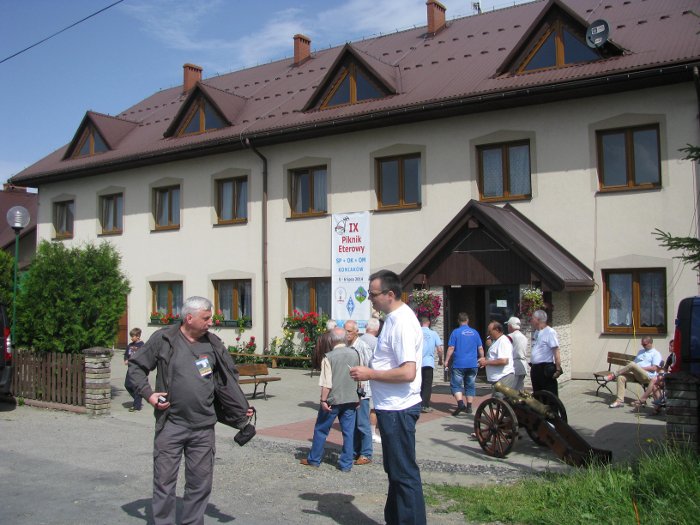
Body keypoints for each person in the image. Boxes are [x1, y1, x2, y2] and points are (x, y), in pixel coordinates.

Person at [126, 296, 254, 525]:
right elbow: (136, 367)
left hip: (203, 428)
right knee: (164, 482)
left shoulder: (213, 343)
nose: (211, 322)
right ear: (189, 318)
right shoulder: (164, 339)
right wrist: (148, 394)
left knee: (200, 484)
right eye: (206, 318)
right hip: (171, 424)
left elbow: (227, 379)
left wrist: (239, 408)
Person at [349, 269, 426, 525]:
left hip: (399, 408)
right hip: (391, 407)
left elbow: (408, 372)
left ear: (390, 294)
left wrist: (370, 373)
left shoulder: (402, 323)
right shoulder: (392, 319)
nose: (370, 299)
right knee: (395, 471)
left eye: (373, 294)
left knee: (403, 473)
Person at [301, 327, 360, 471]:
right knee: (348, 432)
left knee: (321, 429)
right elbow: (360, 377)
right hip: (351, 398)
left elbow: (326, 383)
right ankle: (346, 464)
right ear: (345, 338)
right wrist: (359, 397)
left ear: (331, 340)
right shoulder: (355, 353)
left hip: (333, 400)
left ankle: (314, 459)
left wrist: (323, 400)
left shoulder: (328, 357)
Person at [344, 319, 373, 465]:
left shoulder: (362, 346)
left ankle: (366, 453)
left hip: (362, 390)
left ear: (356, 331)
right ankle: (354, 451)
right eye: (345, 330)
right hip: (350, 389)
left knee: (362, 423)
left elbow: (370, 367)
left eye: (349, 331)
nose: (346, 334)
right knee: (352, 423)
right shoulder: (346, 345)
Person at [607, 336, 662, 408]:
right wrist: (632, 366)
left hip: (647, 376)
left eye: (644, 344)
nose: (643, 345)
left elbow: (654, 368)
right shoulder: (640, 351)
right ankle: (619, 401)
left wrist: (639, 368)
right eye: (642, 344)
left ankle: (614, 374)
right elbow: (635, 363)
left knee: (632, 365)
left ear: (650, 343)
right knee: (621, 377)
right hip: (637, 375)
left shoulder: (655, 353)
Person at [445, 312, 483, 416]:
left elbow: (451, 348)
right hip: (472, 364)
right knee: (470, 385)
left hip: (459, 364)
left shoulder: (455, 332)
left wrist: (446, 360)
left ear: (458, 321)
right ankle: (469, 407)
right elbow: (480, 347)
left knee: (456, 385)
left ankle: (461, 404)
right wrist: (482, 358)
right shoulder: (475, 332)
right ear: (467, 320)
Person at [529, 310, 562, 396]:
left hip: (545, 368)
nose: (531, 321)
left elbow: (556, 350)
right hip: (535, 368)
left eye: (532, 318)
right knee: (537, 394)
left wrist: (558, 369)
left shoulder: (550, 332)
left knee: (549, 394)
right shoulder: (537, 332)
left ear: (538, 319)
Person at [360, 317, 383, 444]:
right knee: (373, 406)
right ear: (377, 329)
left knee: (361, 405)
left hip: (358, 376)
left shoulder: (358, 340)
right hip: (371, 376)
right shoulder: (377, 342)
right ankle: (372, 433)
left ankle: (361, 429)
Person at [478, 321, 516, 395]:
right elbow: (494, 357)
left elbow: (504, 361)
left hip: (503, 377)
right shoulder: (497, 341)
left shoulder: (503, 341)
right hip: (498, 378)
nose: (488, 334)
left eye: (490, 331)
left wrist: (486, 362)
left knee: (500, 398)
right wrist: (485, 360)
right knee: (497, 399)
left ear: (497, 330)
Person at [419, 316, 443, 412]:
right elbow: (439, 349)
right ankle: (424, 405)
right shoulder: (433, 333)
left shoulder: (416, 332)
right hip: (428, 362)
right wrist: (440, 359)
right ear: (428, 323)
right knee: (427, 384)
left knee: (418, 384)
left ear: (420, 323)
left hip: (417, 362)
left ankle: (417, 404)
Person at [123, 327, 144, 412]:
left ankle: (136, 406)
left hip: (138, 369)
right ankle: (138, 398)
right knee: (127, 385)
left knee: (135, 386)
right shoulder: (130, 345)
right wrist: (125, 359)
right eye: (131, 336)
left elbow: (143, 357)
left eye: (133, 336)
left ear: (138, 336)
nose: (131, 338)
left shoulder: (142, 346)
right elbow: (126, 355)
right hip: (130, 368)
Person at [506, 317, 528, 392]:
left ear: (511, 326)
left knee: (510, 390)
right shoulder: (524, 337)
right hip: (523, 364)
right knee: (519, 389)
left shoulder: (510, 336)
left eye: (508, 325)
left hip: (514, 364)